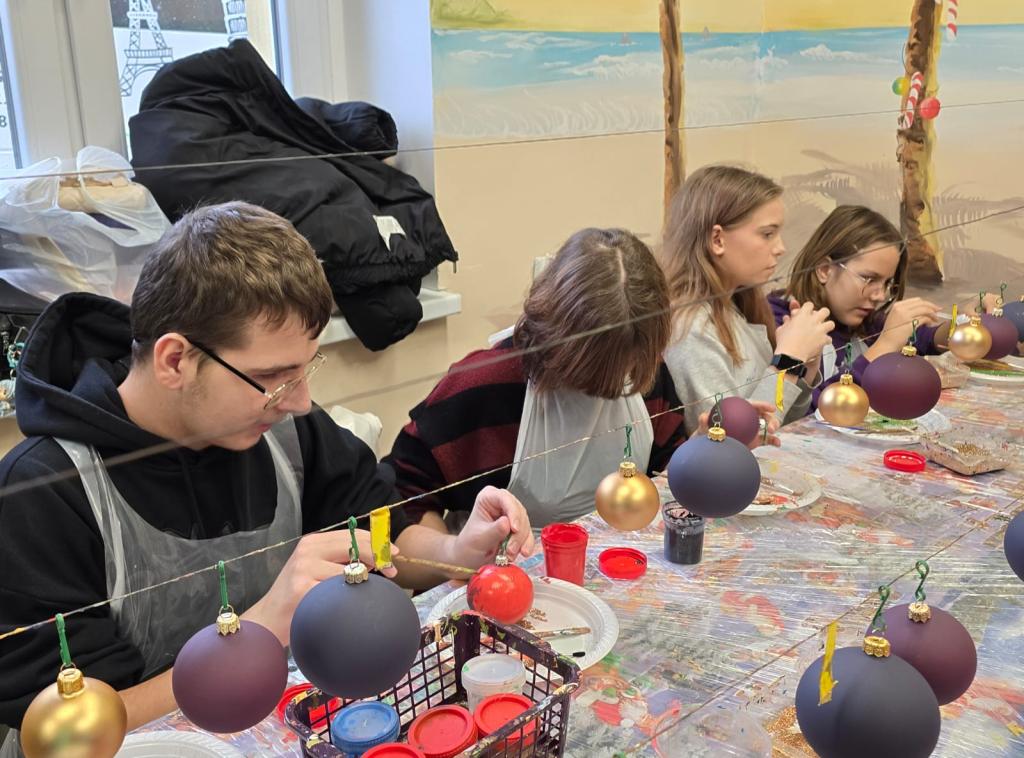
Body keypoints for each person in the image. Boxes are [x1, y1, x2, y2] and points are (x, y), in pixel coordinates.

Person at [0, 202, 532, 741]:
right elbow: (70, 733)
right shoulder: (40, 495)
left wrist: (456, 552)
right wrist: (263, 626)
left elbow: (384, 534)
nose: (298, 401)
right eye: (273, 377)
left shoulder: (287, 432)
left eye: (305, 369)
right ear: (175, 360)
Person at [383, 227, 780, 534]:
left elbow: (662, 470)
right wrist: (455, 556)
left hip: (615, 568)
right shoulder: (482, 388)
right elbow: (399, 497)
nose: (612, 384)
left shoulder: (647, 370)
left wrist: (701, 450)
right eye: (592, 370)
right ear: (552, 332)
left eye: (626, 370)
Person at [660, 165, 834, 434]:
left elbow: (780, 424)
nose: (781, 248)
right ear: (717, 240)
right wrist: (788, 361)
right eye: (767, 234)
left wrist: (804, 366)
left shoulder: (737, 308)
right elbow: (728, 439)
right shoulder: (691, 330)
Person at [768, 205, 947, 411]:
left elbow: (927, 339)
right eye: (869, 279)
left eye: (887, 283)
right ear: (824, 270)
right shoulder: (780, 324)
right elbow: (802, 413)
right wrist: (885, 346)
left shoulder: (863, 321)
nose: (880, 295)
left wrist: (963, 327)